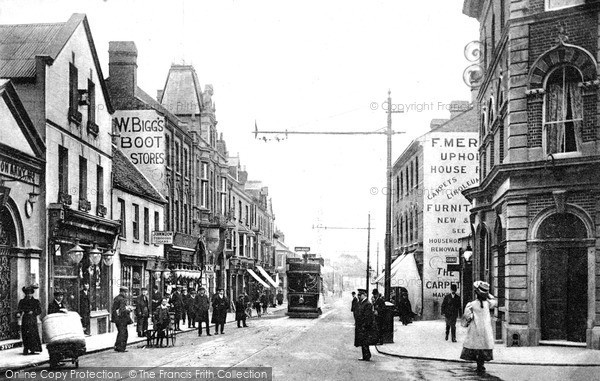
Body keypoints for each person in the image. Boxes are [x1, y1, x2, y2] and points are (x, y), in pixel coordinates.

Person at [460, 281, 497, 373]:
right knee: (484, 346)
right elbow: (495, 301)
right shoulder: (488, 304)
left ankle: (478, 365)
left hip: (475, 329)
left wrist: (469, 320)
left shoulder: (471, 304)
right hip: (485, 329)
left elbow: (467, 316)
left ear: (476, 294)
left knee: (476, 347)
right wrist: (487, 295)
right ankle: (482, 364)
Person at [17, 286, 42, 355]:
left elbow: (39, 310)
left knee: (33, 334)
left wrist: (34, 313)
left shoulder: (36, 301)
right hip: (25, 319)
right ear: (25, 294)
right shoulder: (22, 301)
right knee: (25, 333)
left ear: (32, 294)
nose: (29, 295)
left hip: (32, 319)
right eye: (27, 293)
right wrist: (19, 313)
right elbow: (19, 309)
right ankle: (26, 348)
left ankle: (33, 349)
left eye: (30, 293)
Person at [354, 288, 376, 361]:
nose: (358, 296)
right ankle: (365, 355)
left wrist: (364, 325)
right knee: (363, 341)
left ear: (364, 295)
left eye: (360, 295)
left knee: (365, 341)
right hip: (361, 325)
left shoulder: (367, 304)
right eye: (358, 295)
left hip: (365, 326)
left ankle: (366, 356)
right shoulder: (362, 303)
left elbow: (367, 316)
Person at [112, 286, 133, 352]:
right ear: (123, 292)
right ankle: (121, 348)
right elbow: (122, 310)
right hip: (122, 319)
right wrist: (129, 309)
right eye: (126, 292)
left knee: (120, 332)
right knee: (124, 333)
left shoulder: (117, 298)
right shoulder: (122, 299)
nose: (126, 294)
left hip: (117, 319)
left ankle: (117, 346)